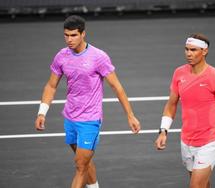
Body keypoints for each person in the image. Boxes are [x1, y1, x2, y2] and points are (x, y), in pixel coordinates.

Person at [34, 15, 141, 188]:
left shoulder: (98, 57)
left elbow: (117, 87)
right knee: (85, 162)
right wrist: (42, 111)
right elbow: (51, 86)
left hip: (90, 120)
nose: (69, 39)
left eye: (73, 35)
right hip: (70, 117)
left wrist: (130, 115)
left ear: (83, 34)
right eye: (66, 35)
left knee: (80, 166)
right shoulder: (61, 56)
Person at [155, 33, 215, 188]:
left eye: (193, 50)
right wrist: (163, 131)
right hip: (187, 141)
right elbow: (171, 105)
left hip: (209, 141)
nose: (188, 54)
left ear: (204, 51)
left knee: (195, 186)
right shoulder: (179, 73)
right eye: (186, 49)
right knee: (202, 184)